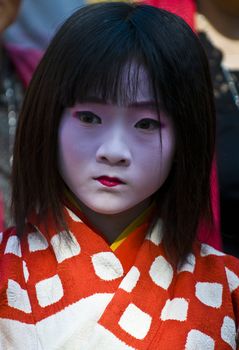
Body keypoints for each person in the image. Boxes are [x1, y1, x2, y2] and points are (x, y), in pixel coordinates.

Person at [0, 2, 238, 348]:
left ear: (184, 139)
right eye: (89, 118)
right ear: (50, 120)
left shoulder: (226, 286)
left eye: (146, 123)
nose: (113, 150)